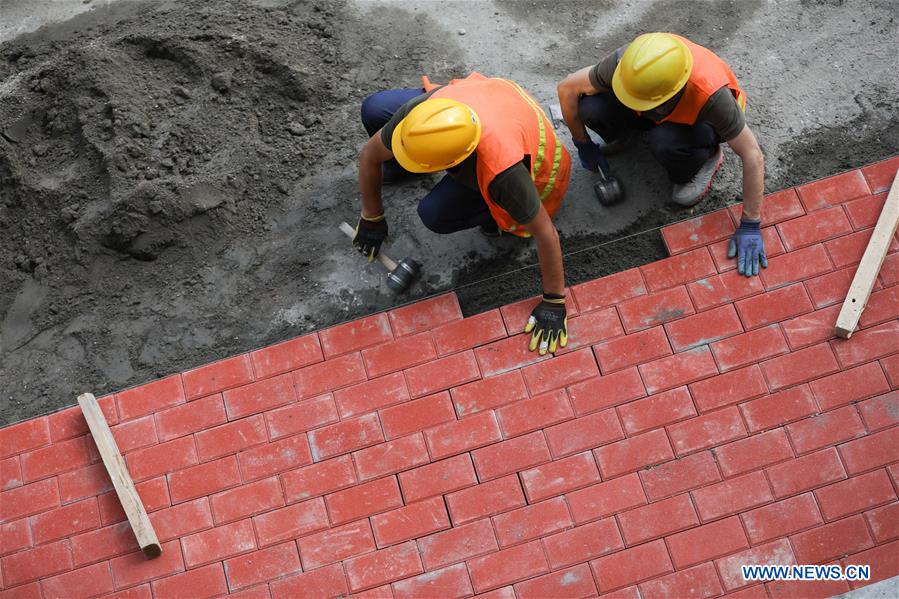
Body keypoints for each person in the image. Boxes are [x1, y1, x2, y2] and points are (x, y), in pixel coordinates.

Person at [355, 73, 572, 354]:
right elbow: (369, 155)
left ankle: (489, 217)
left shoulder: (502, 171)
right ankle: (401, 164)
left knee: (435, 214)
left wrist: (554, 301)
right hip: (488, 100)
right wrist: (372, 215)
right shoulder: (422, 118)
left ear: (453, 162)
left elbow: (546, 233)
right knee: (373, 108)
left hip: (526, 149)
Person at [557, 32, 767, 276]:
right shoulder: (628, 66)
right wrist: (582, 143)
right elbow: (568, 87)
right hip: (658, 108)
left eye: (640, 102)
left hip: (699, 123)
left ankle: (707, 157)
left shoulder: (711, 95)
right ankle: (629, 134)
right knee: (591, 107)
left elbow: (752, 154)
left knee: (665, 142)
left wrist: (751, 223)